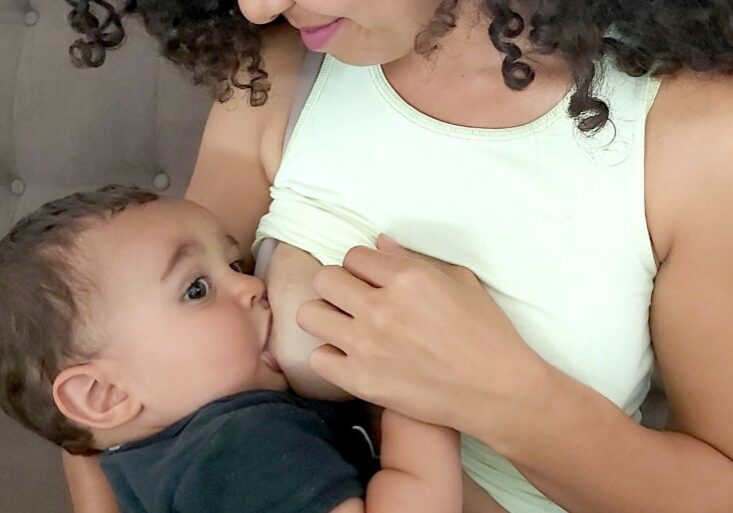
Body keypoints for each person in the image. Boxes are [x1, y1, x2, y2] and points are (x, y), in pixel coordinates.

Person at [63, 1, 733, 512]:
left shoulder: (696, 132)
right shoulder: (278, 67)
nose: (258, 9)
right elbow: (101, 344)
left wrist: (506, 397)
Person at [0, 185, 467, 513]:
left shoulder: (152, 466)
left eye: (235, 265)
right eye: (197, 289)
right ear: (104, 395)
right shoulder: (236, 448)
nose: (251, 286)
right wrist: (416, 387)